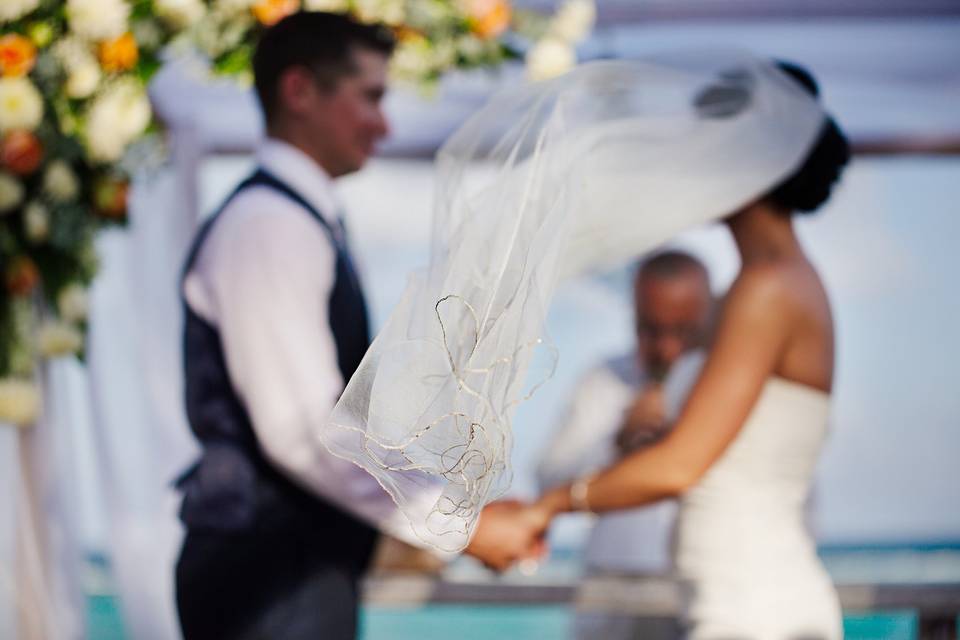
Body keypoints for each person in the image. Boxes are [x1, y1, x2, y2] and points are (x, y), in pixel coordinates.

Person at [173, 12, 540, 640]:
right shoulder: (270, 225)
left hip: (297, 569)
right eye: (370, 96)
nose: (384, 124)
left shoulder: (301, 221)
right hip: (268, 580)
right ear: (300, 91)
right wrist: (457, 524)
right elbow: (304, 433)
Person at [525, 61, 851, 639]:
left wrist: (547, 507)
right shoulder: (759, 287)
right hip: (729, 600)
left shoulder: (768, 288)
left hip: (754, 613)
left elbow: (680, 465)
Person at [537, 251, 712, 640]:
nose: (666, 349)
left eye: (684, 331)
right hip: (611, 589)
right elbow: (548, 478)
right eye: (651, 330)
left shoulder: (725, 388)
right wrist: (617, 440)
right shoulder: (604, 379)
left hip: (696, 588)